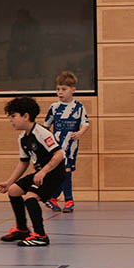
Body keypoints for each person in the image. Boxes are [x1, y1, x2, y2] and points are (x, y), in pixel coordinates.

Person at [0, 96, 66, 247]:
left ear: (26, 116)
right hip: (41, 173)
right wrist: (9, 182)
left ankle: (40, 236)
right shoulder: (22, 138)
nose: (11, 120)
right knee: (14, 191)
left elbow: (59, 154)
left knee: (30, 197)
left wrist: (43, 172)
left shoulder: (42, 133)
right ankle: (22, 229)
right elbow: (23, 163)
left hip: (54, 173)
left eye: (13, 116)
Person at [42, 71, 90, 213]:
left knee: (65, 173)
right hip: (58, 147)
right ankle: (69, 200)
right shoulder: (54, 107)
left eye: (64, 89)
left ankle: (52, 197)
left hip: (72, 146)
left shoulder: (79, 107)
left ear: (73, 90)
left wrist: (80, 132)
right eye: (58, 89)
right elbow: (45, 126)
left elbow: (85, 123)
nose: (60, 92)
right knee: (66, 171)